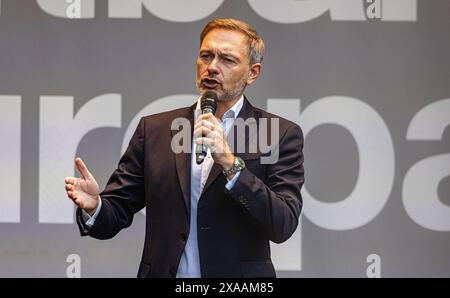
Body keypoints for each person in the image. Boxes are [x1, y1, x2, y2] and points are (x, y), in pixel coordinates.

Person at [64, 18, 304, 278]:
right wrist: (95, 206)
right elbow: (116, 212)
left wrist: (232, 165)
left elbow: (283, 224)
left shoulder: (278, 134)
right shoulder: (155, 130)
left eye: (227, 60)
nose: (212, 67)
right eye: (206, 55)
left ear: (252, 73)